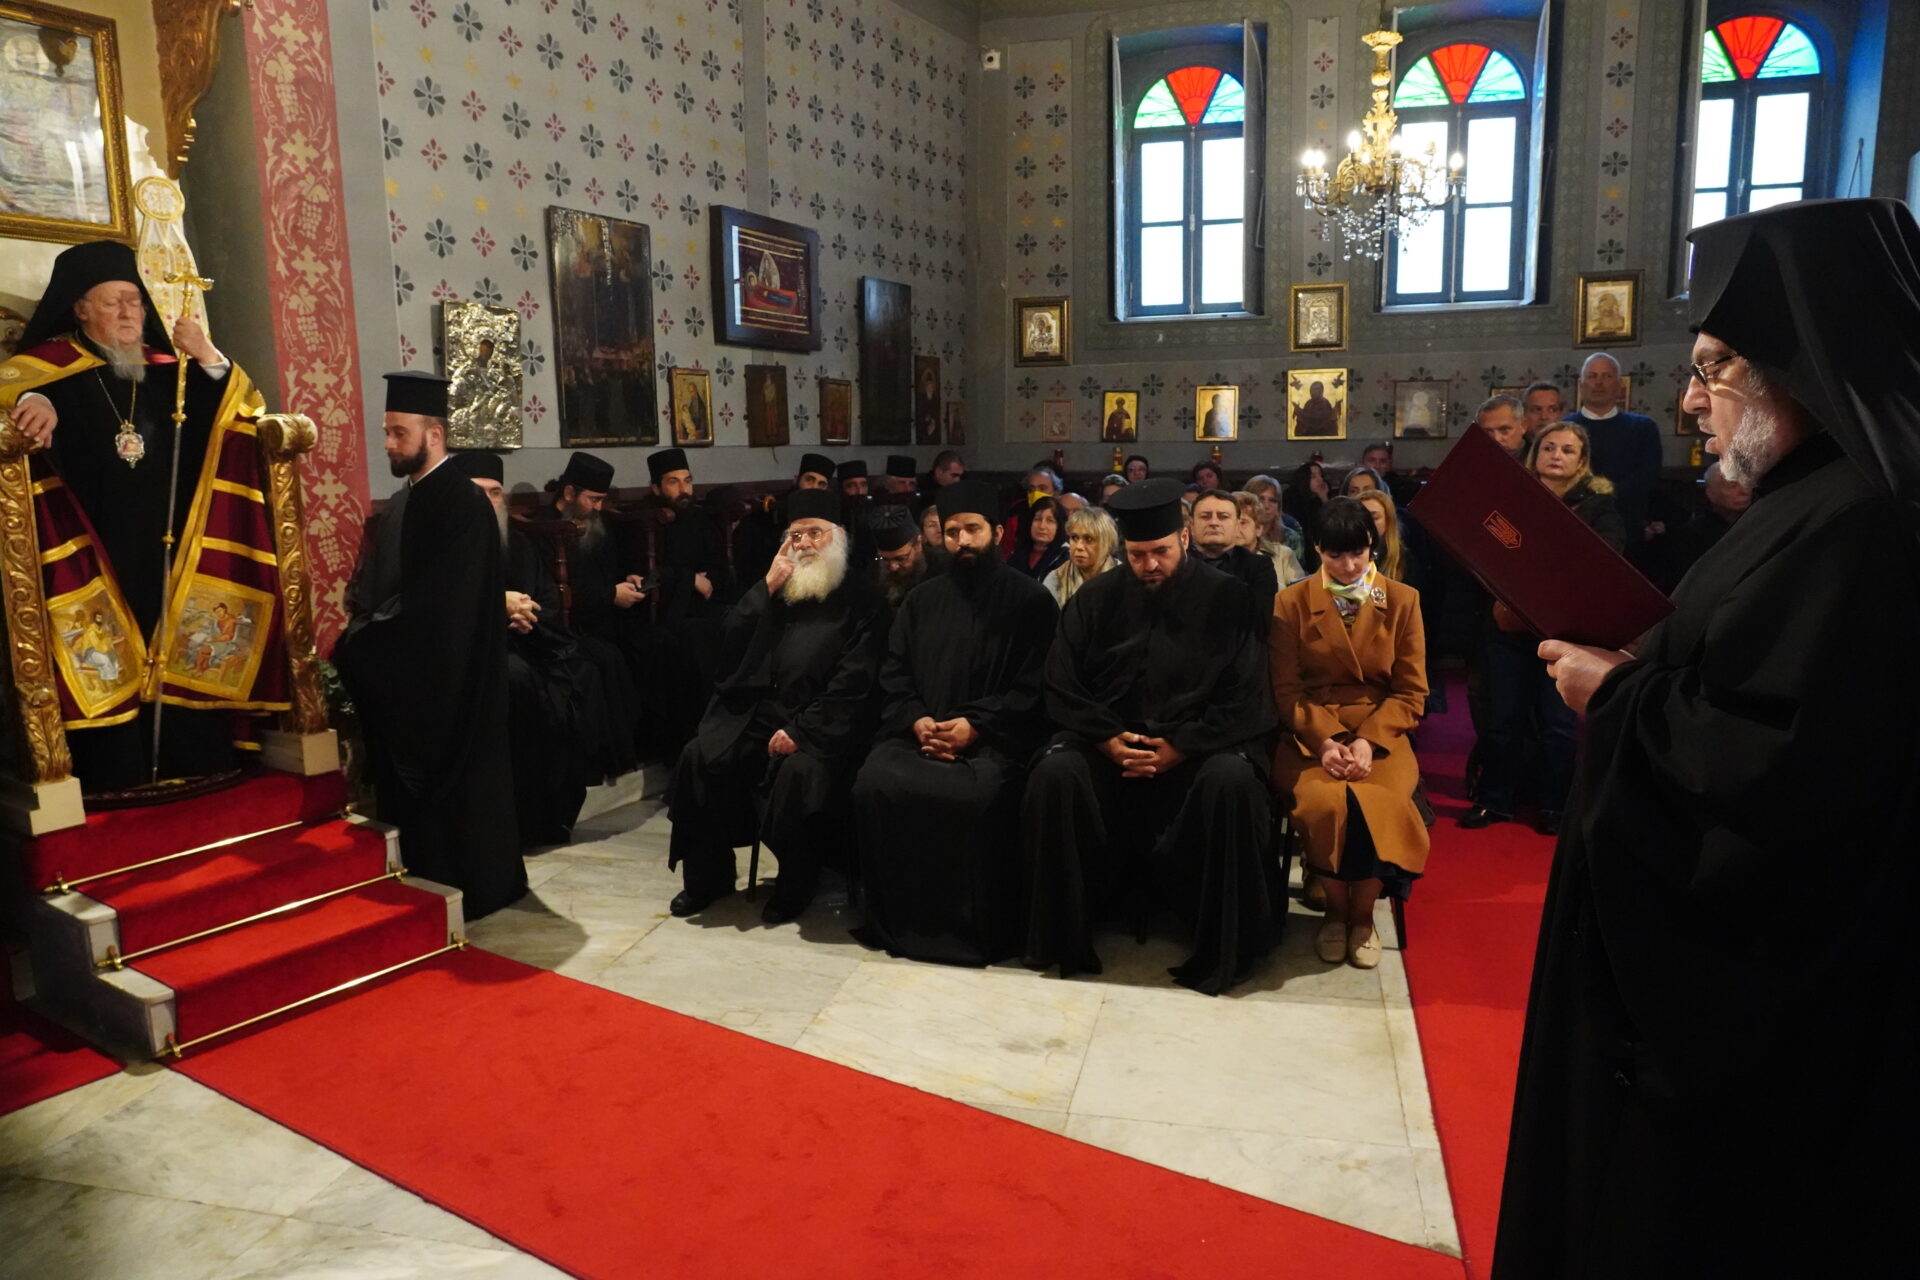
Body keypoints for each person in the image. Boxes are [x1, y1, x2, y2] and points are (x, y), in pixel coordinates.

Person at [1496, 198, 1920, 1279]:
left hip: (1744, 1029)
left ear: (1804, 362)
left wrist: (1614, 693)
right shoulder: (1804, 500)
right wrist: (1643, 666)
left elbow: (1793, 769)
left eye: (1715, 366)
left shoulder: (1866, 524)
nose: (1691, 399)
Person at [0, 240, 267, 792]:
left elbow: (238, 415)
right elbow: (16, 394)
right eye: (113, 302)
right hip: (93, 545)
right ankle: (113, 768)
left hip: (172, 542)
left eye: (134, 301)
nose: (128, 313)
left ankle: (193, 758)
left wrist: (209, 356)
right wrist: (36, 402)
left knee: (183, 639)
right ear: (80, 309)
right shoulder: (50, 370)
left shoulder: (167, 370)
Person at [1022, 478, 1281, 995]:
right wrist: (1106, 739)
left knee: (1232, 782)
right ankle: (1066, 937)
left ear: (1183, 538)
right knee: (1055, 773)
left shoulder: (1229, 598)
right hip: (1109, 749)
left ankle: (1222, 945)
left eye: (1161, 552)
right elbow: (1061, 682)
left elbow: (1247, 693)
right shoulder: (1096, 598)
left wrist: (1181, 746)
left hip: (1197, 749)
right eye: (1138, 556)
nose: (1150, 565)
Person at [334, 373, 524, 919]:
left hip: (453, 675)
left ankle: (474, 885)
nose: (388, 444)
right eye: (387, 432)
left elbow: (447, 606)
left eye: (399, 432)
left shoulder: (462, 504)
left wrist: (371, 639)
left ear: (434, 435)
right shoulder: (409, 501)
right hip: (422, 664)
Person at [852, 480, 1059, 966]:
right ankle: (898, 922)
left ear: (997, 534)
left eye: (972, 529)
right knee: (873, 782)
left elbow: (1035, 687)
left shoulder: (1031, 602)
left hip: (996, 741)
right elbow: (895, 674)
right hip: (920, 736)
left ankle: (978, 930)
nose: (962, 541)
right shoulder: (922, 601)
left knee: (974, 794)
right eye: (952, 531)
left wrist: (976, 726)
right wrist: (917, 720)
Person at [666, 489, 888, 923]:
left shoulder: (864, 601)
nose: (804, 544)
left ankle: (797, 880)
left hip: (820, 724)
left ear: (838, 536)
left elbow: (855, 683)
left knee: (797, 773)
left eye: (814, 534)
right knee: (699, 755)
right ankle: (708, 879)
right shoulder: (778, 587)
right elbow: (728, 642)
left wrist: (802, 730)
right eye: (795, 535)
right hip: (758, 713)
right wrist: (765, 588)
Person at [1270, 498, 1428, 970]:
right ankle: (1335, 914)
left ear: (1372, 545)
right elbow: (1286, 690)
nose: (1349, 566)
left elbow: (1411, 691)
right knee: (1327, 802)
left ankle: (1363, 918)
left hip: (1382, 731)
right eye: (1336, 555)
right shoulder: (1291, 602)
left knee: (1382, 802)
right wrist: (1328, 741)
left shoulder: (1402, 599)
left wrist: (1367, 740)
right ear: (1317, 549)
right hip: (1312, 731)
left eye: (1358, 553)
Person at [454, 452, 637, 847]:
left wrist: (526, 616)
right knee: (523, 683)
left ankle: (555, 814)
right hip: (475, 653)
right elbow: (445, 606)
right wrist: (500, 612)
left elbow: (548, 603)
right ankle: (521, 821)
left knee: (573, 675)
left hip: (530, 642)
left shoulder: (518, 545)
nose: (488, 502)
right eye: (477, 492)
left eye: (495, 493)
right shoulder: (443, 547)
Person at [1462, 421, 1623, 836]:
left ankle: (1554, 805)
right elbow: (1484, 551)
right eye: (1549, 447)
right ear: (1535, 454)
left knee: (1558, 725)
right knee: (1502, 718)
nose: (1556, 455)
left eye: (1568, 450)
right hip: (1509, 622)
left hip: (1566, 630)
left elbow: (1604, 560)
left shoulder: (1598, 505)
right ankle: (1494, 799)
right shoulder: (1513, 498)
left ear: (1582, 461)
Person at [1564, 353, 1662, 548]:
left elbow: (1647, 476)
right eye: (1592, 376)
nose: (1599, 383)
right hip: (1574, 525)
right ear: (1581, 385)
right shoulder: (1563, 429)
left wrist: (1607, 495)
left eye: (1607, 376)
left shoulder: (1643, 428)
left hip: (1629, 527)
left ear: (1619, 386)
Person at [1645, 460, 1750, 593]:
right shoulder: (1689, 537)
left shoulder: (1759, 525)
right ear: (1711, 493)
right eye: (1733, 485)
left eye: (1747, 484)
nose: (1744, 491)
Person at [1189, 488, 1279, 631]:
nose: (1214, 522)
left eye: (1223, 517)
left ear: (1237, 526)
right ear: (1192, 525)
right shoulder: (1177, 565)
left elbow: (1259, 623)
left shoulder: (1259, 567)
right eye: (1205, 516)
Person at [1041, 504, 1119, 606]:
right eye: (1074, 537)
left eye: (1089, 539)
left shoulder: (1124, 578)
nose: (1079, 546)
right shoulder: (1056, 579)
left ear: (1107, 543)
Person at [1233, 489, 1306, 586]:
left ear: (1258, 528)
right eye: (1233, 522)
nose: (1236, 528)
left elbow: (1299, 591)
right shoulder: (1219, 558)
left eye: (1243, 523)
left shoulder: (1283, 555)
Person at [871, 508, 930, 607]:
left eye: (900, 559)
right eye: (885, 559)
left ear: (918, 544)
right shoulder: (872, 573)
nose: (893, 567)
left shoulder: (941, 569)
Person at [1245, 473, 1308, 566]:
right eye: (1261, 499)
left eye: (1272, 500)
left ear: (1278, 507)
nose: (1266, 506)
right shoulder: (1236, 534)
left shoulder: (1290, 538)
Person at [1012, 494, 1068, 581]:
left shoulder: (1066, 557)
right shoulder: (1019, 552)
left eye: (1050, 521)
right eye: (1037, 519)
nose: (1042, 526)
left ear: (1059, 526)